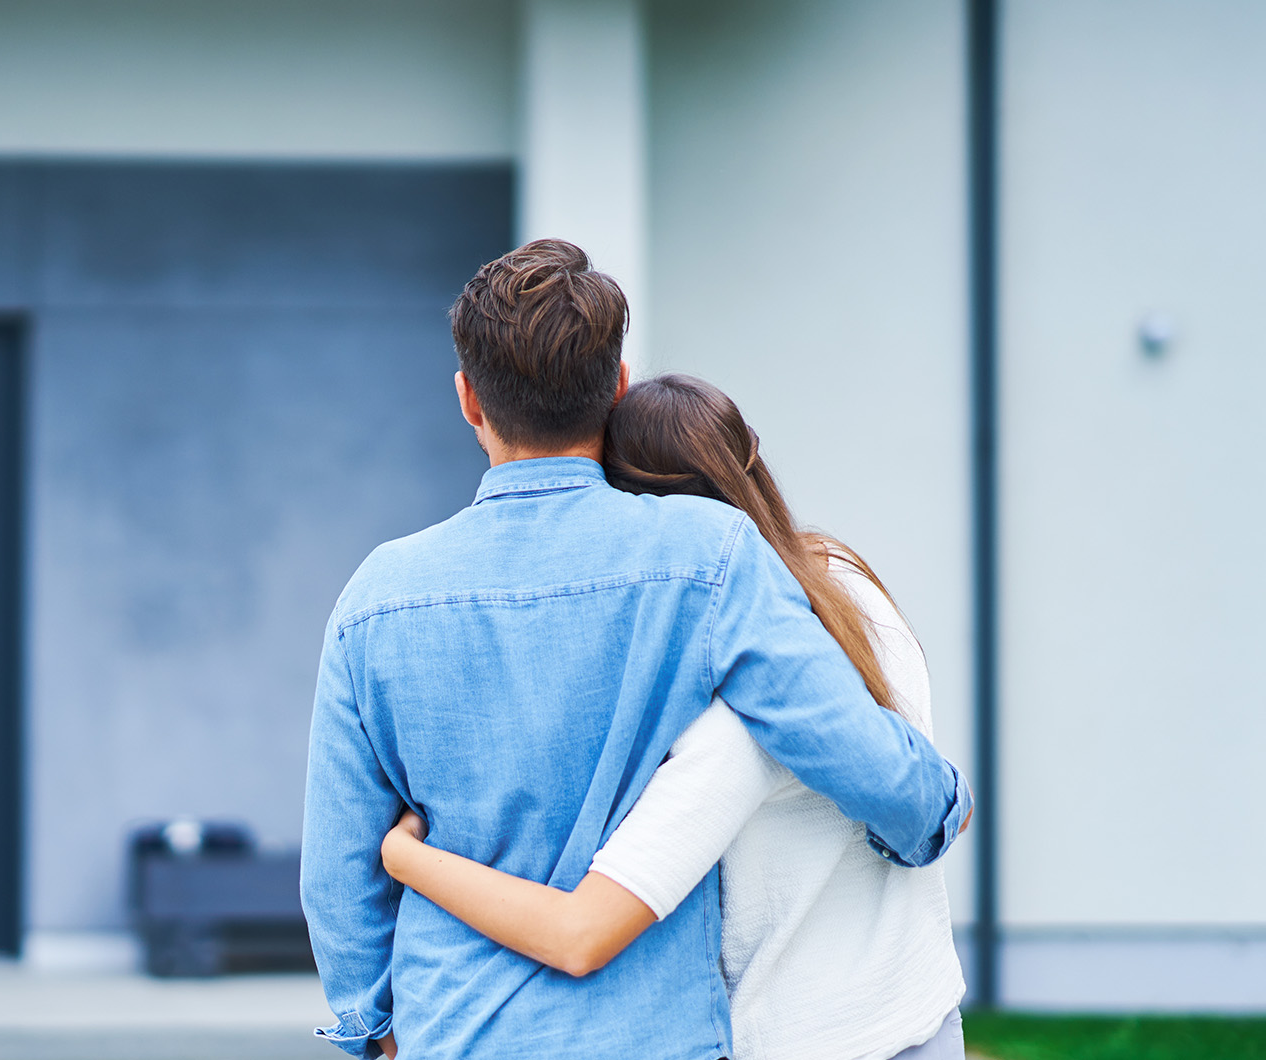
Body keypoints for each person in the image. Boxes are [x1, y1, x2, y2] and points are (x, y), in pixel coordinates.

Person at [299, 238, 970, 1060]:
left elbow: (339, 875)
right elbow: (862, 760)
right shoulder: (710, 558)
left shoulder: (377, 597)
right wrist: (936, 809)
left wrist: (376, 1033)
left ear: (469, 400)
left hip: (456, 1035)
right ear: (615, 390)